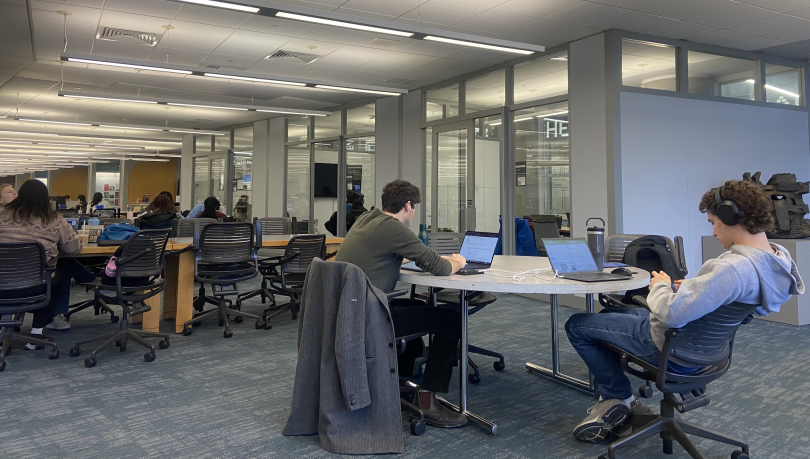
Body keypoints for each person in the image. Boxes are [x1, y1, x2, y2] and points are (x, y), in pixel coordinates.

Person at [564, 180, 804, 444]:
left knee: (578, 324)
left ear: (729, 216)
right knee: (612, 317)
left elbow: (672, 314)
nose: (713, 232)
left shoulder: (733, 268)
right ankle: (615, 397)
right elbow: (737, 297)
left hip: (669, 346)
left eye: (713, 222)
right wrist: (694, 289)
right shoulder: (776, 261)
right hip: (707, 351)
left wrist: (660, 286)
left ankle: (621, 398)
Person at [335, 179, 469, 428]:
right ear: (408, 205)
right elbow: (440, 267)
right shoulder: (394, 229)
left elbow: (400, 252)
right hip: (372, 315)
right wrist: (458, 262)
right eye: (415, 207)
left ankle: (398, 382)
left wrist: (429, 256)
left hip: (352, 311)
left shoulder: (367, 220)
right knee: (450, 318)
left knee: (415, 308)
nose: (414, 212)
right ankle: (427, 402)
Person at [0, 180, 91, 342]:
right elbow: (73, 249)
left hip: (2, 282)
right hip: (35, 285)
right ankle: (37, 333)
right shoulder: (54, 220)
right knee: (57, 276)